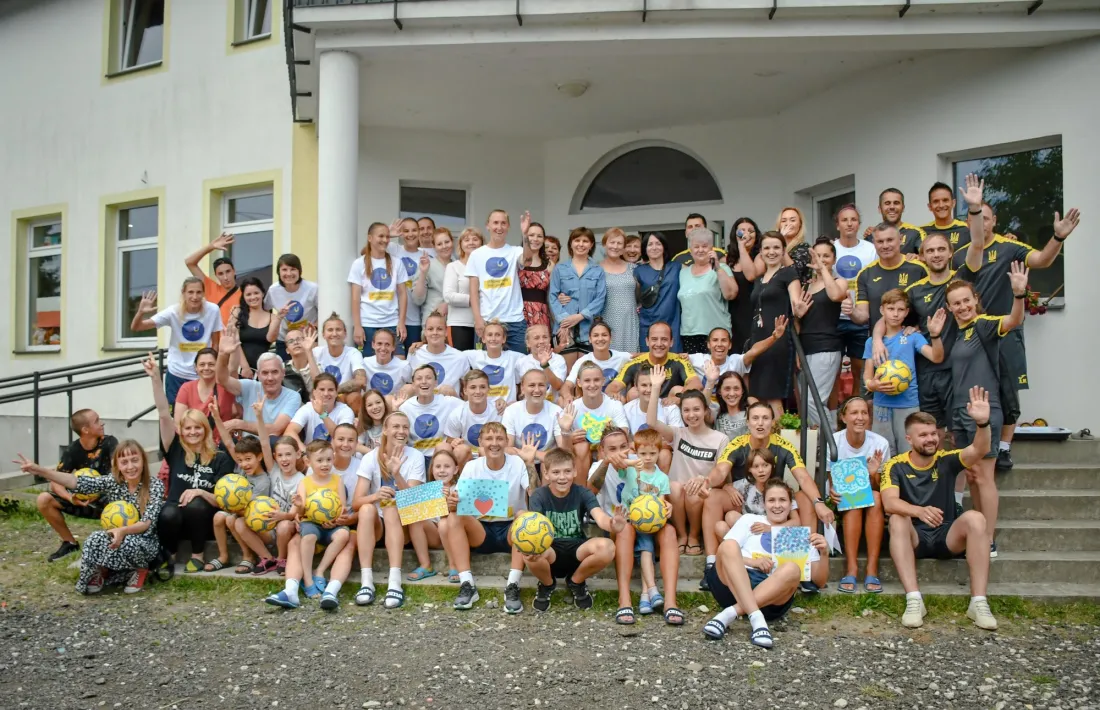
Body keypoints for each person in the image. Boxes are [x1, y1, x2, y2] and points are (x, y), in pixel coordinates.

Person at [956, 174, 1081, 471]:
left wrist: (1058, 237)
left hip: (1006, 328)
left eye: (986, 218)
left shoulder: (1011, 248)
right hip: (974, 335)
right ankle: (978, 444)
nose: (982, 223)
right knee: (978, 390)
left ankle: (1004, 448)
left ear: (994, 221)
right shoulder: (965, 255)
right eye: (977, 218)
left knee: (1008, 391)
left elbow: (1042, 260)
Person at [882, 388, 998, 630]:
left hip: (947, 535)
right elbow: (889, 502)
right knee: (896, 519)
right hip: (914, 537)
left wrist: (983, 423)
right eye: (923, 435)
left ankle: (979, 602)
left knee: (976, 518)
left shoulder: (946, 459)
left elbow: (980, 450)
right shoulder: (895, 465)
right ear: (909, 439)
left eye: (933, 434)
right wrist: (918, 511)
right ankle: (914, 600)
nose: (930, 439)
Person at [702, 401, 834, 590]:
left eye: (765, 418)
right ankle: (712, 564)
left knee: (805, 497)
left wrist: (819, 502)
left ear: (773, 422)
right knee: (713, 497)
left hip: (775, 508)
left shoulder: (784, 446)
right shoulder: (737, 444)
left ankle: (804, 564)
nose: (760, 423)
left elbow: (803, 477)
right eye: (755, 418)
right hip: (745, 508)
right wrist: (709, 483)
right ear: (747, 423)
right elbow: (721, 471)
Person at [944, 266, 1028, 557]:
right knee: (972, 475)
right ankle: (980, 532)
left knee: (984, 475)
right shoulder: (958, 332)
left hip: (985, 411)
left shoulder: (984, 324)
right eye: (956, 302)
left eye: (966, 300)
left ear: (975, 299)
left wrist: (1018, 293)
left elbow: (1014, 319)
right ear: (949, 306)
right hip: (961, 411)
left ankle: (989, 539)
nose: (962, 306)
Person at [15, 440, 165, 595]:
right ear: (118, 465)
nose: (130, 467)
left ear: (143, 461)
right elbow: (77, 482)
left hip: (144, 542)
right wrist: (40, 470)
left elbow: (146, 523)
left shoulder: (154, 485)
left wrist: (122, 531)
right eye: (124, 462)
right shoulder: (114, 481)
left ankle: (139, 570)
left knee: (128, 543)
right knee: (94, 538)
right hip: (116, 536)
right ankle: (100, 571)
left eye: (135, 460)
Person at [702, 479, 829, 646]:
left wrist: (824, 553)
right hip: (734, 584)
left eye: (782, 500)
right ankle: (756, 618)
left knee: (792, 569)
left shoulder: (798, 535)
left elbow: (819, 581)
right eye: (771, 500)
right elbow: (725, 554)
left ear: (790, 504)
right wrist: (753, 562)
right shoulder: (749, 520)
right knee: (728, 545)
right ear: (764, 503)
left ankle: (730, 613)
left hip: (772, 597)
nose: (777, 505)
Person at [144, 355, 235, 574]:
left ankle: (197, 554)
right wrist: (156, 379)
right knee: (168, 513)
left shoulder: (220, 457)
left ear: (205, 429)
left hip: (203, 521)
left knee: (196, 505)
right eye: (188, 428)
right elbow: (164, 414)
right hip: (176, 518)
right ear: (181, 431)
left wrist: (200, 492)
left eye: (198, 428)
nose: (193, 432)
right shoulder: (175, 450)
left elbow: (223, 501)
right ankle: (170, 553)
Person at [444, 423, 538, 612]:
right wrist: (452, 503)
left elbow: (534, 495)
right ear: (480, 442)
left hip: (511, 530)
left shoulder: (517, 463)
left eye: (499, 439)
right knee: (453, 517)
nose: (494, 443)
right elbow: (457, 503)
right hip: (481, 530)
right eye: (489, 439)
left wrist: (529, 463)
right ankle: (467, 584)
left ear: (506, 442)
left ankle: (512, 585)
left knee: (524, 515)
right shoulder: (471, 467)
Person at [642, 367, 730, 557]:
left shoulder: (720, 439)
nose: (692, 415)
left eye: (697, 409)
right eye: (686, 410)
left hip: (700, 492)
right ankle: (681, 535)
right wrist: (656, 387)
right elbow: (651, 422)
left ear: (705, 410)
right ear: (681, 413)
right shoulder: (678, 434)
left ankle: (694, 536)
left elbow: (722, 473)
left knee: (694, 492)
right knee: (673, 486)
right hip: (677, 495)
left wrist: (703, 480)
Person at [352, 411, 429, 608]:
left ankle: (394, 581)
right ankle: (366, 580)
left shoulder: (416, 457)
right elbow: (357, 502)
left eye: (405, 427)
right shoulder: (370, 457)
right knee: (367, 510)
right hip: (376, 526)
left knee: (391, 507)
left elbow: (415, 502)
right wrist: (376, 495)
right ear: (385, 430)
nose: (401, 431)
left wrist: (396, 474)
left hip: (403, 524)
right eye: (396, 426)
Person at [526, 447, 618, 611]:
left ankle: (576, 581)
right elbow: (535, 526)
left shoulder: (582, 492)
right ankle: (547, 584)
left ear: (575, 471)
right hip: (550, 550)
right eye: (556, 472)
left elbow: (600, 517)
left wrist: (612, 523)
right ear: (546, 474)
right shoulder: (539, 496)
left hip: (577, 549)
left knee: (608, 547)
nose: (562, 477)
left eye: (567, 471)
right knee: (528, 551)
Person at [863, 290, 946, 454]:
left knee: (908, 452)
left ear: (907, 312)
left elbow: (936, 357)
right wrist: (871, 385)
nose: (895, 314)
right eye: (891, 309)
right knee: (883, 453)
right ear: (882, 310)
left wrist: (935, 336)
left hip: (908, 403)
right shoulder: (872, 342)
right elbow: (867, 375)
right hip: (882, 405)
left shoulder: (912, 336)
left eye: (900, 310)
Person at [36, 409, 118, 562]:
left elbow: (118, 472)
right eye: (97, 421)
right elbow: (55, 482)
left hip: (109, 501)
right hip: (83, 501)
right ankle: (70, 543)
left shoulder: (110, 442)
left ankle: (114, 545)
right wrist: (71, 498)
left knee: (121, 503)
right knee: (43, 499)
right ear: (85, 430)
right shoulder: (72, 450)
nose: (102, 423)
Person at [129, 278, 224, 407]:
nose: (195, 297)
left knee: (202, 418)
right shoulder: (173, 312)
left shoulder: (213, 310)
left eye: (198, 292)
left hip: (202, 373)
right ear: (183, 293)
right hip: (176, 373)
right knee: (177, 419)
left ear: (203, 293)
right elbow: (137, 327)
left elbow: (216, 344)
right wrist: (140, 313)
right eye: (190, 292)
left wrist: (213, 370)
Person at [829, 397, 889, 594]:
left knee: (876, 497)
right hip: (843, 500)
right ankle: (852, 568)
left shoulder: (880, 443)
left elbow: (880, 488)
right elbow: (830, 480)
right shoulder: (834, 440)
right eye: (854, 413)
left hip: (873, 499)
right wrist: (831, 490)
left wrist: (872, 473)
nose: (860, 417)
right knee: (852, 499)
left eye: (864, 412)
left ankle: (872, 568)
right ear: (844, 417)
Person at [234, 404, 302, 576]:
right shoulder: (274, 471)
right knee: (239, 522)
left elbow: (296, 512)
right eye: (280, 455)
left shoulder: (302, 480)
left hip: (286, 526)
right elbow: (264, 442)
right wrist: (259, 417)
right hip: (266, 526)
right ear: (274, 457)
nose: (284, 459)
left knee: (284, 526)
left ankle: (281, 558)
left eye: (288, 454)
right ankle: (266, 558)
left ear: (298, 455)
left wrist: (283, 516)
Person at [207, 409, 272, 573]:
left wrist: (229, 507)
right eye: (240, 460)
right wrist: (216, 417)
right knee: (217, 517)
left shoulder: (263, 481)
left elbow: (249, 511)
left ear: (259, 457)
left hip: (255, 519)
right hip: (238, 511)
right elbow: (229, 443)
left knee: (230, 520)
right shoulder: (243, 469)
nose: (243, 464)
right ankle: (223, 556)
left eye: (248, 459)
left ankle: (248, 556)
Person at [792, 239, 849, 425]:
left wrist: (822, 268)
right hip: (806, 348)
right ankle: (818, 447)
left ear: (834, 259)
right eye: (817, 255)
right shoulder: (806, 285)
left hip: (826, 347)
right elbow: (798, 320)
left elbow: (835, 295)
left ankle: (831, 442)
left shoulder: (839, 281)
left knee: (813, 400)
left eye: (826, 256)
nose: (821, 259)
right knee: (805, 402)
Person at [747, 232, 800, 418]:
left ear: (784, 250)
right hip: (758, 340)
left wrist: (799, 307)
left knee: (773, 395)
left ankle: (778, 439)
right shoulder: (759, 279)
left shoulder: (788, 273)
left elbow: (796, 303)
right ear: (760, 252)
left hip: (778, 340)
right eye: (767, 248)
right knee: (757, 394)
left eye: (776, 247)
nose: (772, 252)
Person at [621, 428, 672, 616]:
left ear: (660, 452)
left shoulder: (662, 478)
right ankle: (650, 590)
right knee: (646, 547)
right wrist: (633, 460)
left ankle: (646, 593)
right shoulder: (630, 469)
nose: (648, 458)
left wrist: (668, 508)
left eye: (653, 453)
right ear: (636, 451)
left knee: (646, 547)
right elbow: (617, 461)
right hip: (628, 521)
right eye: (643, 453)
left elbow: (663, 501)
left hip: (650, 524)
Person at [215, 328, 301, 439]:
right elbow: (222, 379)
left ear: (283, 373)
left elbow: (275, 430)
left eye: (275, 372)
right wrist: (223, 354)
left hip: (274, 451)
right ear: (258, 375)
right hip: (248, 450)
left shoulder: (293, 396)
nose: (270, 378)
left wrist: (240, 424)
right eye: (265, 373)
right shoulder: (250, 386)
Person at [293, 439, 351, 600]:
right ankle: (307, 579)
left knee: (343, 535)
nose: (325, 464)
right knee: (309, 536)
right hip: (311, 522)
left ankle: (319, 570)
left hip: (331, 525)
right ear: (308, 461)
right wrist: (299, 505)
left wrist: (337, 518)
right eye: (319, 460)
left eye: (328, 460)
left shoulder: (337, 480)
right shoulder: (304, 482)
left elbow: (342, 506)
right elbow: (302, 511)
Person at [467, 209, 530, 353]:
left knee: (520, 366)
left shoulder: (516, 251)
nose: (499, 227)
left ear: (508, 227)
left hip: (514, 320)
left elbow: (527, 260)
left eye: (503, 223)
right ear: (487, 225)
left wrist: (525, 234)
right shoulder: (477, 255)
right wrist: (478, 319)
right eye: (495, 223)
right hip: (487, 320)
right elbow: (473, 291)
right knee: (485, 368)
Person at [833, 205, 878, 394]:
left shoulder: (870, 249)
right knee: (832, 371)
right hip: (833, 318)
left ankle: (856, 408)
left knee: (859, 369)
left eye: (853, 219)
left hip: (860, 317)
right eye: (844, 220)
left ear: (859, 223)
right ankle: (834, 416)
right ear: (837, 225)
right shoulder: (831, 248)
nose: (849, 223)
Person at [852, 224, 929, 333]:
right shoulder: (865, 274)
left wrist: (917, 327)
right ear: (874, 243)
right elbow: (863, 316)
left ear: (901, 239)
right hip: (878, 344)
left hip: (911, 342)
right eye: (880, 241)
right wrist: (850, 310)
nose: (885, 245)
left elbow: (927, 309)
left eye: (890, 240)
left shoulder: (918, 269)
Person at [690, 321, 787, 405]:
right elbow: (675, 358)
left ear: (730, 345)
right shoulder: (697, 359)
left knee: (752, 400)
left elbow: (754, 351)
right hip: (705, 408)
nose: (719, 344)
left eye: (724, 340)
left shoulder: (735, 361)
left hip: (729, 407)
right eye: (715, 340)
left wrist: (774, 337)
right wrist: (682, 356)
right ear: (708, 344)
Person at [350, 221, 409, 357]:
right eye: (381, 236)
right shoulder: (359, 264)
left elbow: (402, 294)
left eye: (387, 237)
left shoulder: (397, 263)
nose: (385, 240)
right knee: (367, 367)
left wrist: (401, 322)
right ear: (370, 238)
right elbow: (355, 298)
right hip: (368, 324)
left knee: (399, 362)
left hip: (392, 323)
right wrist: (358, 326)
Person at [563, 362, 629, 483]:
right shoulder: (572, 408)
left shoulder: (614, 404)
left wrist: (610, 435)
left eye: (596, 380)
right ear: (579, 382)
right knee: (581, 446)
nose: (592, 385)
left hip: (607, 451)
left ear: (603, 381)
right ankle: (582, 494)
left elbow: (624, 433)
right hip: (581, 454)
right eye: (587, 380)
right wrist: (569, 437)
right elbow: (563, 448)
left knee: (605, 448)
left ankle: (605, 493)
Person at [677, 228, 740, 354]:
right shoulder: (683, 273)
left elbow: (731, 294)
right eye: (696, 246)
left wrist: (717, 268)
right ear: (690, 250)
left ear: (711, 248)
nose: (700, 250)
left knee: (716, 372)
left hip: (716, 335)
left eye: (704, 246)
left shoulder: (721, 268)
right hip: (689, 334)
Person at [550, 227, 607, 366]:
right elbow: (553, 296)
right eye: (577, 240)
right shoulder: (560, 268)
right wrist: (565, 321)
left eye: (585, 241)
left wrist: (580, 316)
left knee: (586, 373)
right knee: (565, 374)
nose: (581, 244)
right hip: (564, 330)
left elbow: (600, 299)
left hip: (588, 330)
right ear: (571, 243)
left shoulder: (597, 270)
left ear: (591, 245)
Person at [607, 322, 701, 402]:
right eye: (654, 339)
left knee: (678, 390)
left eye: (664, 339)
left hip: (669, 406)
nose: (659, 344)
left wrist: (679, 397)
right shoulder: (634, 363)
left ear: (671, 342)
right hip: (644, 407)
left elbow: (696, 384)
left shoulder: (680, 360)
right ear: (647, 341)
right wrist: (617, 398)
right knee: (633, 393)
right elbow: (612, 387)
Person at [622, 364, 682, 474]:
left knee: (664, 454)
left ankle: (663, 489)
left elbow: (676, 440)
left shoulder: (670, 408)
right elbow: (624, 442)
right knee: (629, 452)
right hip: (637, 455)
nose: (648, 390)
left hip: (660, 456)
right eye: (644, 385)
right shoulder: (626, 409)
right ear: (636, 386)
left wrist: (640, 445)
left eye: (652, 385)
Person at [173, 348, 236, 447]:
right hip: (194, 446)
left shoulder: (226, 386)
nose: (206, 368)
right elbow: (178, 424)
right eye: (202, 364)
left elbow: (233, 368)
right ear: (196, 368)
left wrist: (233, 348)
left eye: (211, 364)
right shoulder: (186, 388)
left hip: (221, 447)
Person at [501, 368, 568, 461]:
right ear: (522, 389)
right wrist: (524, 455)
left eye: (541, 385)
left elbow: (564, 454)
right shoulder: (511, 411)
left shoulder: (556, 411)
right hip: (520, 461)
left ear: (546, 388)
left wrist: (533, 454)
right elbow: (507, 449)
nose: (537, 390)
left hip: (548, 463)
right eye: (532, 385)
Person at [442, 369, 503, 469]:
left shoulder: (498, 411)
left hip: (492, 453)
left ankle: (493, 482)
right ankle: (458, 482)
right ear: (465, 390)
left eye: (482, 387)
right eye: (473, 387)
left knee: (484, 451)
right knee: (460, 450)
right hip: (467, 456)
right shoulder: (458, 413)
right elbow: (449, 440)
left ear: (489, 389)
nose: (478, 391)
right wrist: (454, 442)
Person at [399, 364, 462, 460]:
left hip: (441, 457)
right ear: (413, 384)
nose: (424, 382)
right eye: (419, 379)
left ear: (436, 382)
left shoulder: (449, 402)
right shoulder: (405, 408)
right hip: (415, 458)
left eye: (428, 378)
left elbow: (471, 408)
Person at [266, 253, 319, 361]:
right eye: (284, 270)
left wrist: (314, 326)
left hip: (309, 338)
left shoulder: (312, 288)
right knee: (286, 373)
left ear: (299, 271)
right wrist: (275, 323)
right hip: (284, 339)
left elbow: (324, 312)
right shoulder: (273, 290)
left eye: (293, 269)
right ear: (278, 272)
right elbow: (265, 310)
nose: (289, 273)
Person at [562, 319, 631, 401]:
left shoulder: (622, 357)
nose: (600, 338)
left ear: (610, 338)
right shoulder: (583, 361)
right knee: (561, 400)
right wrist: (567, 397)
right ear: (590, 339)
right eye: (596, 335)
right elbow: (567, 385)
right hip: (590, 403)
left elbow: (643, 356)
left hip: (613, 401)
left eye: (604, 335)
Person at [635, 232, 682, 352]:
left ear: (664, 247)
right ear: (645, 248)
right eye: (650, 244)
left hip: (672, 323)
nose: (654, 247)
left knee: (673, 364)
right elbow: (635, 296)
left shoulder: (677, 267)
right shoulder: (638, 271)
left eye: (658, 243)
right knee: (648, 364)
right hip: (647, 324)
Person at [184, 231, 241, 327]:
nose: (225, 277)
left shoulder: (246, 294)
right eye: (221, 274)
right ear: (216, 275)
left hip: (235, 341)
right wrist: (211, 247)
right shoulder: (211, 288)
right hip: (213, 341)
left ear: (234, 271)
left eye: (228, 271)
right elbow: (190, 262)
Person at [285, 373, 355, 448]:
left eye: (330, 390)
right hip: (311, 455)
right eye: (322, 389)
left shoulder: (345, 411)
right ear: (314, 392)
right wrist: (304, 451)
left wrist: (322, 414)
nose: (326, 393)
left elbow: (343, 437)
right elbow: (289, 432)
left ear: (336, 392)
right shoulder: (307, 408)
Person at [598, 227, 639, 353]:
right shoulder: (596, 269)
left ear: (624, 247)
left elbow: (641, 293)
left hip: (630, 322)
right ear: (605, 244)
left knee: (631, 362)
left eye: (619, 243)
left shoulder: (633, 268)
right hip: (607, 321)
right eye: (612, 242)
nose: (615, 246)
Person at [443, 227, 485, 351]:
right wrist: (474, 300)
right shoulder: (453, 267)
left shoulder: (486, 268)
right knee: (460, 364)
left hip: (484, 323)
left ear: (482, 244)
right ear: (460, 245)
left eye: (475, 239)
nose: (471, 242)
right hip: (459, 324)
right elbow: (449, 296)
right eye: (466, 240)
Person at [408, 310, 470, 393]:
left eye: (439, 329)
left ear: (446, 332)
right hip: (422, 402)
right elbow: (409, 382)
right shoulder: (414, 352)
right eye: (430, 329)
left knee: (446, 390)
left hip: (449, 403)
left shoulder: (460, 357)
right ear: (425, 332)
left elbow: (467, 390)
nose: (435, 333)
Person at [391, 217, 428, 353]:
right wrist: (388, 235)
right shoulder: (394, 249)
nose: (410, 234)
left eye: (414, 230)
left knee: (413, 358)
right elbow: (366, 252)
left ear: (419, 232)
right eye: (406, 231)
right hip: (393, 318)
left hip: (415, 320)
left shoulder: (426, 255)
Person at [466, 319, 522, 406]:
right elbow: (452, 356)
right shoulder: (475, 356)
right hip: (485, 410)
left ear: (504, 339)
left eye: (498, 335)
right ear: (483, 339)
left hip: (507, 410)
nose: (493, 338)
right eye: (489, 335)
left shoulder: (514, 357)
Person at [224, 277, 272, 377]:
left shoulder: (272, 317)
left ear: (262, 293)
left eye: (256, 293)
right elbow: (234, 341)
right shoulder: (237, 313)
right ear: (243, 297)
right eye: (248, 294)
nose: (253, 297)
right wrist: (245, 367)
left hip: (263, 371)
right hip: (239, 369)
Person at [725, 218, 761, 352]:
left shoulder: (760, 256)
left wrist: (742, 247)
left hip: (752, 313)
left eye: (751, 231)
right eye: (742, 230)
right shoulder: (727, 259)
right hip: (732, 315)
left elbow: (751, 275)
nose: (747, 234)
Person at [514, 324, 568, 404]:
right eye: (536, 338)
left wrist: (545, 365)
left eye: (545, 337)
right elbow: (518, 387)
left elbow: (558, 386)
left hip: (551, 406)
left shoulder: (558, 359)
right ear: (528, 343)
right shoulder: (521, 362)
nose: (541, 341)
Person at [864, 189, 927, 256]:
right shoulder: (871, 234)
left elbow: (928, 257)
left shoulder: (916, 233)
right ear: (880, 209)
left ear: (903, 208)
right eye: (887, 203)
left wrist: (918, 258)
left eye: (896, 203)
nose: (892, 207)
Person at [312, 313, 366, 389]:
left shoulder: (353, 353)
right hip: (322, 395)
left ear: (345, 333)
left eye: (338, 329)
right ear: (323, 334)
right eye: (330, 330)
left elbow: (361, 380)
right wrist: (307, 350)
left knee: (354, 397)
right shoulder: (316, 352)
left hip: (343, 395)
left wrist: (334, 391)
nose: (334, 334)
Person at [413, 227, 453, 328]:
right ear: (434, 246)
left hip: (455, 323)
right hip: (432, 324)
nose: (444, 246)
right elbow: (417, 299)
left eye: (447, 242)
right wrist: (423, 273)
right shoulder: (428, 265)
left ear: (452, 242)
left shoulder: (458, 265)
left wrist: (448, 305)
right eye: (439, 244)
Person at [519, 215, 552, 329]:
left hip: (541, 313)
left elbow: (554, 292)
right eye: (531, 235)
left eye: (539, 236)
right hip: (518, 313)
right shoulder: (517, 260)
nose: (535, 239)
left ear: (543, 240)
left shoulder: (549, 264)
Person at [361, 328, 412, 399]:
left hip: (394, 405)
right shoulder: (365, 363)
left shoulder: (403, 366)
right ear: (373, 345)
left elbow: (413, 386)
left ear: (393, 347)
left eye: (387, 344)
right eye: (379, 343)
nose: (383, 348)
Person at [922, 182, 972, 252]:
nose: (941, 205)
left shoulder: (966, 229)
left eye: (945, 200)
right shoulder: (921, 232)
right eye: (936, 201)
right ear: (930, 206)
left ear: (953, 203)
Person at [282, 326, 319, 400]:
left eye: (299, 339)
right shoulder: (282, 368)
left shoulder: (316, 365)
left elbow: (319, 383)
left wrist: (308, 351)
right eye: (291, 341)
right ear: (287, 350)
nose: (296, 343)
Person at [713, 371, 749, 440]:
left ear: (742, 391)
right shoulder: (716, 414)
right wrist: (710, 382)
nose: (732, 393)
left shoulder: (751, 414)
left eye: (736, 389)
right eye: (727, 389)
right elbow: (701, 408)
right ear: (719, 391)